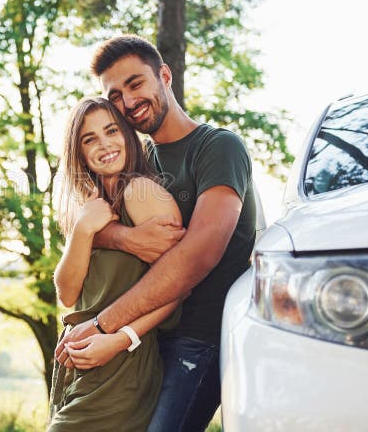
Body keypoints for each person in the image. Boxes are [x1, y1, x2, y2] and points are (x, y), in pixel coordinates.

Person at [55, 35, 257, 432]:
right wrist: (123, 238)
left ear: (164, 75)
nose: (128, 102)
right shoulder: (137, 160)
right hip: (145, 340)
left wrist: (105, 326)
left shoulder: (217, 148)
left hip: (199, 340)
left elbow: (198, 255)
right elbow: (97, 232)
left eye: (135, 84)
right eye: (115, 95)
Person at [47, 97, 184, 431]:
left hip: (122, 362)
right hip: (76, 364)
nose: (104, 144)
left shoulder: (140, 193)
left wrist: (120, 339)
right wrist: (82, 228)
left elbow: (177, 287)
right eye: (89, 138)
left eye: (111, 131)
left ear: (127, 135)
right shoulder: (89, 206)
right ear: (78, 151)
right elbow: (67, 293)